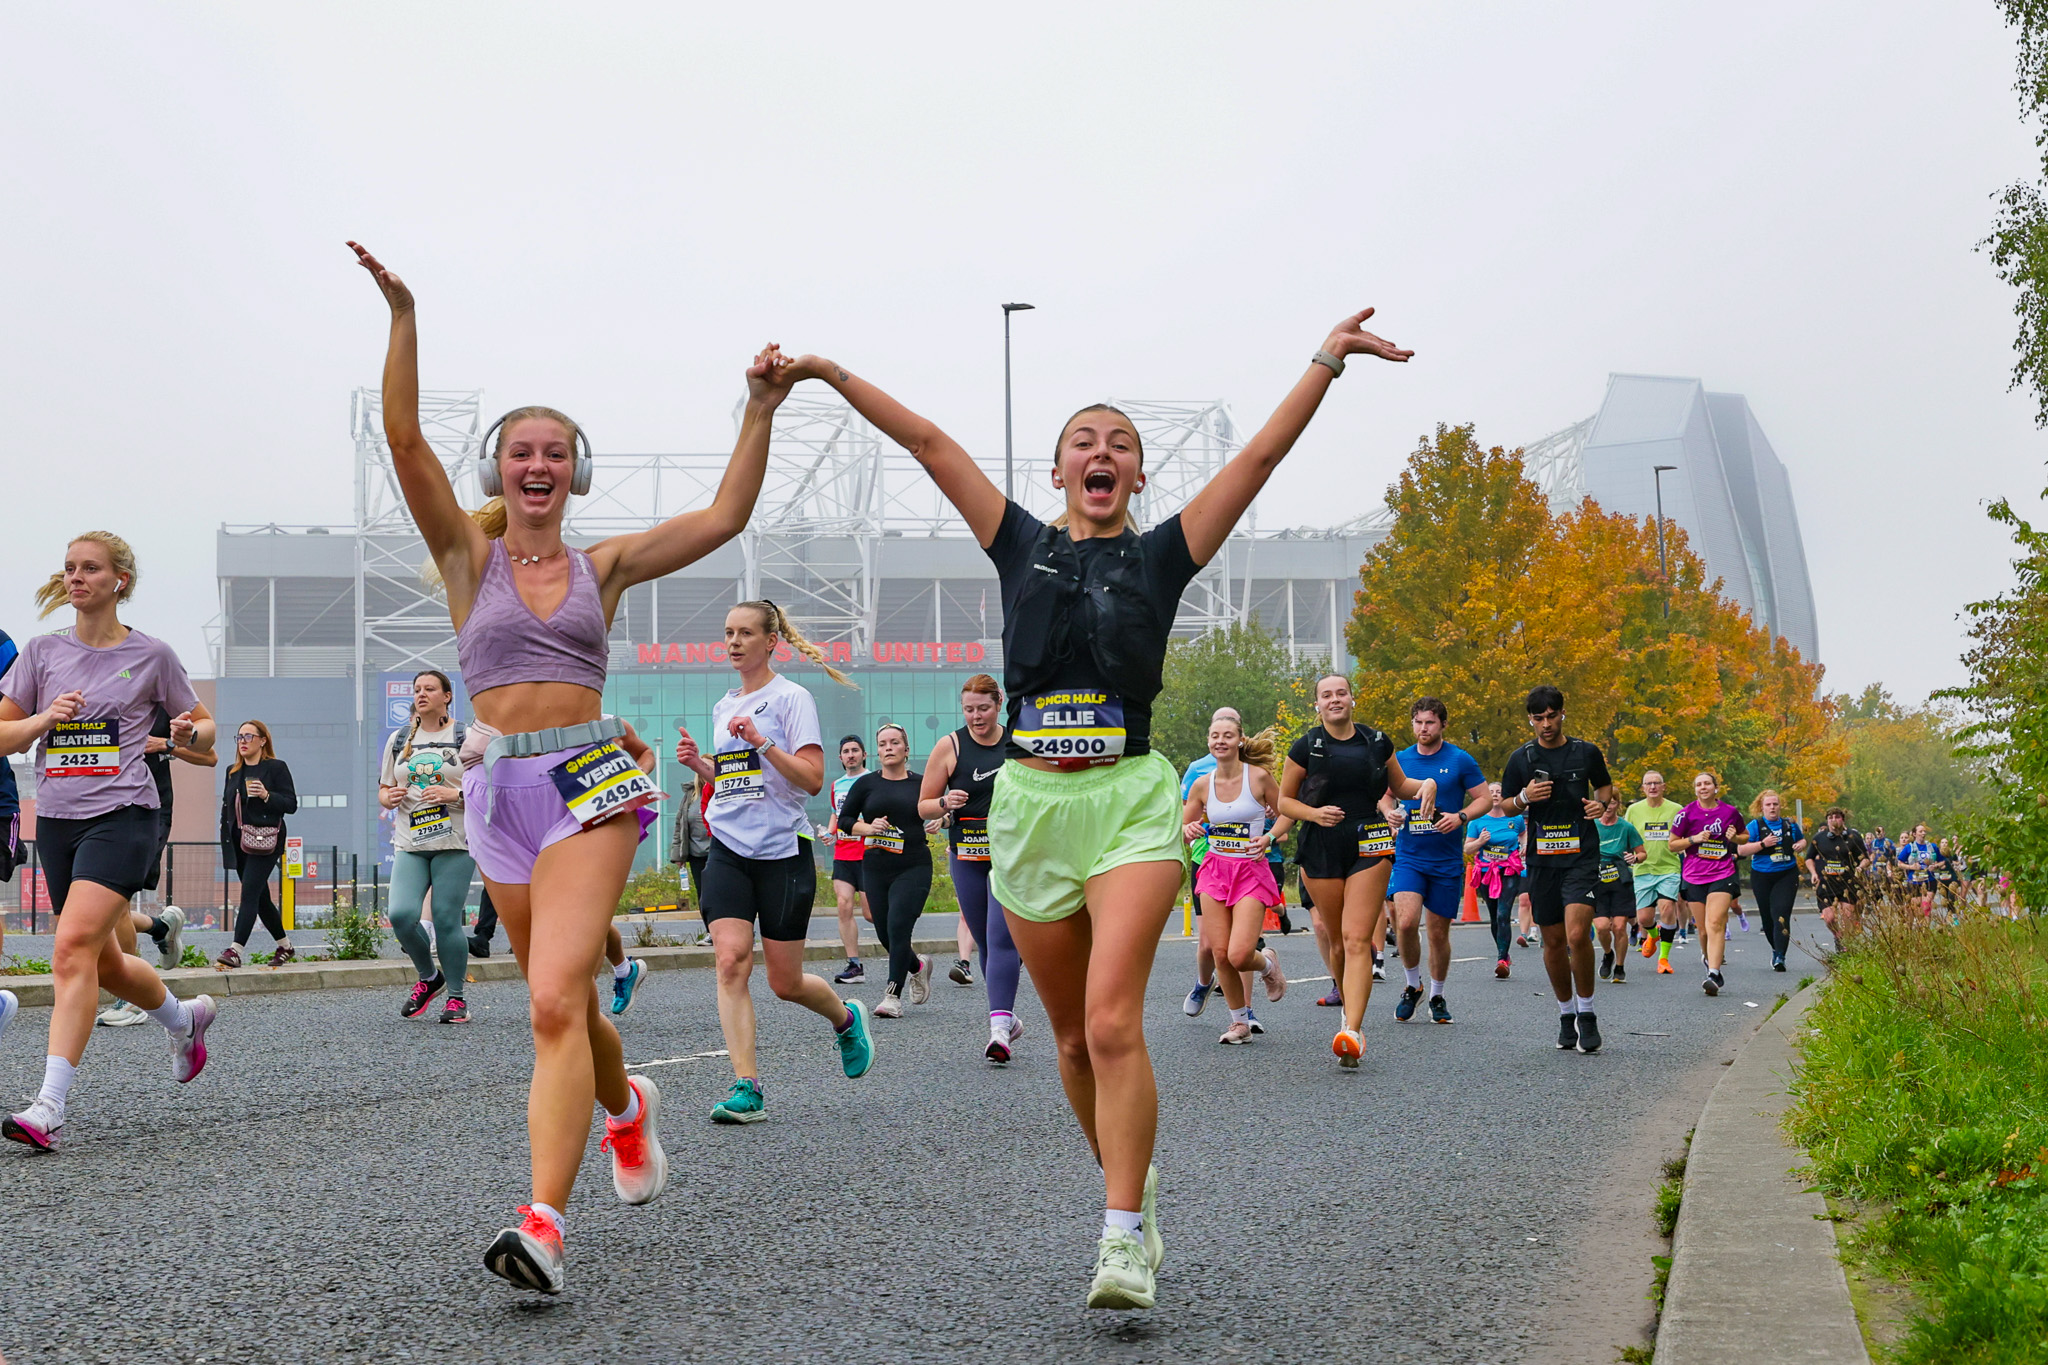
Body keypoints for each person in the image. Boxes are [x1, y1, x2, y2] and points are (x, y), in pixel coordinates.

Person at [786, 305, 1412, 1309]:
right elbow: (927, 443)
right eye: (1084, 440)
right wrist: (827, 373)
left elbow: (1251, 463)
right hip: (1028, 809)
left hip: (1126, 802)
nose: (1102, 451)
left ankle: (1119, 1238)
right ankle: (1137, 1189)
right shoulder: (1015, 543)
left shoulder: (1159, 556)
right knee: (1070, 1040)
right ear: (1055, 471)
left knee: (1114, 1024)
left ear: (1135, 476)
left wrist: (1322, 365)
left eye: (1119, 443)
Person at [352, 243, 794, 1292]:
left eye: (555, 452)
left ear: (575, 470)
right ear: (500, 472)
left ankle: (542, 1222)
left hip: (588, 788)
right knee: (568, 1008)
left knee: (553, 1001)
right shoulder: (469, 556)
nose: (538, 465)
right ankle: (626, 1106)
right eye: (521, 453)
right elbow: (403, 437)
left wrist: (758, 409)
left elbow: (724, 518)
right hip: (496, 794)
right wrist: (404, 313)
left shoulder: (606, 565)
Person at [0, 531, 219, 1150]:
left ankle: (48, 1107)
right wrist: (44, 719)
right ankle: (183, 1020)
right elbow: (2, 734)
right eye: (69, 568)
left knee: (70, 948)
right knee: (101, 959)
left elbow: (204, 732)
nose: (76, 577)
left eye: (89, 568)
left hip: (125, 815)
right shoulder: (42, 653)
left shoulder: (152, 655)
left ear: (119, 580)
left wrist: (186, 733)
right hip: (61, 823)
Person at [676, 600, 876, 1127]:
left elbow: (811, 779)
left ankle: (844, 1018)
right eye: (728, 633)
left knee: (784, 983)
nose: (734, 642)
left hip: (783, 853)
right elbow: (736, 778)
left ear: (771, 642)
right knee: (730, 960)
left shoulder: (792, 698)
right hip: (728, 849)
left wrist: (762, 741)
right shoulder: (724, 706)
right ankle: (748, 1087)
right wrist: (702, 764)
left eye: (745, 633)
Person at [1279, 674, 1439, 1068]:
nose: (1335, 700)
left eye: (1341, 693)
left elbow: (1400, 785)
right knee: (1336, 941)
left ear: (1352, 698)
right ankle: (1347, 1008)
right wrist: (1314, 813)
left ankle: (1352, 1029)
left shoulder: (1377, 741)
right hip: (1321, 843)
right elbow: (1284, 802)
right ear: (1317, 705)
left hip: (1370, 841)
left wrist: (1427, 784)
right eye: (1326, 695)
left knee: (1355, 939)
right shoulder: (1306, 746)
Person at [1498, 684, 1615, 1054]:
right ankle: (1566, 1015)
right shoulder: (1522, 758)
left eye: (1552, 716)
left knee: (1578, 934)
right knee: (1552, 941)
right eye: (1538, 718)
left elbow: (1606, 787)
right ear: (1530, 719)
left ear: (1562, 714)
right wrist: (1523, 798)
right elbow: (1504, 804)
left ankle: (1587, 1013)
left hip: (1581, 855)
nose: (1546, 724)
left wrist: (1601, 806)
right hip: (1542, 858)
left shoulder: (1586, 752)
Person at [918, 675, 1027, 1062]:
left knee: (1001, 939)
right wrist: (946, 802)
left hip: (1010, 856)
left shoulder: (1017, 741)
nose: (976, 717)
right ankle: (1007, 1016)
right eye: (969, 710)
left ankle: (998, 1029)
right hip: (966, 856)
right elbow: (923, 806)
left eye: (983, 708)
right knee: (984, 939)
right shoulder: (950, 746)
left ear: (999, 703)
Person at [377, 670, 478, 1023]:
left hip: (456, 842)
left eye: (430, 689)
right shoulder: (400, 738)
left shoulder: (466, 737)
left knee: (448, 919)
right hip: (410, 841)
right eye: (417, 689)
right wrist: (389, 798)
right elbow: (384, 788)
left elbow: (490, 788)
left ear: (447, 696)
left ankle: (456, 997)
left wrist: (456, 794)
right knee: (402, 915)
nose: (422, 694)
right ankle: (428, 977)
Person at [1181, 715, 1287, 1044]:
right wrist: (1189, 829)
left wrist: (1269, 838)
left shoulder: (1258, 778)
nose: (1220, 741)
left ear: (1240, 740)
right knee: (1220, 952)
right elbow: (1184, 830)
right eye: (1214, 736)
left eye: (1228, 735)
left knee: (1241, 954)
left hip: (1250, 872)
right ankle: (1238, 1022)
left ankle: (1268, 964)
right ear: (1209, 742)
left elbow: (1287, 812)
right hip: (1214, 869)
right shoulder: (1202, 784)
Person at [1388, 697, 1491, 1026]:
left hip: (1446, 860)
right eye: (1418, 722)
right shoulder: (1401, 760)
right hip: (1409, 856)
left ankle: (1436, 994)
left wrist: (1461, 817)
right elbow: (1385, 793)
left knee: (1437, 934)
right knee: (1404, 923)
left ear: (1443, 725)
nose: (1423, 729)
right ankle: (1411, 984)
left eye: (1429, 722)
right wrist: (1388, 812)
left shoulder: (1460, 760)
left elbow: (1485, 798)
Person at [837, 722, 935, 1017]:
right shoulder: (866, 784)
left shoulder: (922, 782)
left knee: (898, 926)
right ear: (876, 752)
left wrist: (938, 820)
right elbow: (845, 821)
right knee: (884, 933)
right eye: (882, 744)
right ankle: (918, 966)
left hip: (914, 865)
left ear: (906, 749)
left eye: (894, 742)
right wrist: (868, 827)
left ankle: (892, 996)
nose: (888, 748)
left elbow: (941, 811)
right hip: (877, 866)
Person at [214, 720, 299, 970]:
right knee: (261, 898)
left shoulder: (275, 768)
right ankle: (285, 946)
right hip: (239, 842)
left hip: (266, 841)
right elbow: (226, 808)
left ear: (263, 740)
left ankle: (235, 950)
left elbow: (291, 804)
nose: (243, 741)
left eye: (249, 736)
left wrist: (266, 795)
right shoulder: (233, 771)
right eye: (239, 737)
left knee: (249, 892)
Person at [1667, 772, 1745, 997]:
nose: (1703, 787)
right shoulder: (1686, 814)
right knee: (1702, 931)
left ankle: (1714, 973)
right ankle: (1708, 957)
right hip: (1694, 876)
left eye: (1707, 783)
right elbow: (1672, 845)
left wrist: (1735, 838)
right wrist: (1694, 839)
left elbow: (1745, 836)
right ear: (1695, 790)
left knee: (1715, 922)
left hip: (1723, 873)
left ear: (1715, 787)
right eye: (1699, 784)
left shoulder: (1730, 812)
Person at [1625, 771, 1684, 976]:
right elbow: (1627, 836)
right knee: (1643, 918)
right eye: (1648, 784)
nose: (1652, 787)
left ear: (1663, 786)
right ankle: (1653, 934)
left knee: (1667, 908)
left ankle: (1664, 959)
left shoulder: (1676, 809)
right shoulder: (1633, 810)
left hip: (1669, 868)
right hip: (1643, 869)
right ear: (1643, 788)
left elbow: (1684, 834)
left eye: (1656, 783)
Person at [1740, 789, 1806, 972]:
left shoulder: (1789, 825)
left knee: (1781, 914)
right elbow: (1741, 850)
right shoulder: (1755, 826)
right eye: (1768, 804)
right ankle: (1775, 948)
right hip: (1762, 875)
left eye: (1775, 804)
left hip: (1786, 873)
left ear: (1780, 806)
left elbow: (1802, 841)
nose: (1772, 808)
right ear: (1761, 807)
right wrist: (1762, 844)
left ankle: (1780, 956)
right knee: (1768, 918)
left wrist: (1800, 845)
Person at [1464, 782, 1525, 979]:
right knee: (1494, 916)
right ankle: (1504, 953)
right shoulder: (1477, 821)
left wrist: (1524, 846)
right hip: (1486, 872)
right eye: (1492, 792)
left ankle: (1501, 960)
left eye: (1499, 791)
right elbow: (1467, 849)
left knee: (1503, 914)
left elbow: (1524, 835)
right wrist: (1481, 841)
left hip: (1509, 870)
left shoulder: (1515, 819)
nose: (1496, 795)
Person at [826, 735, 871, 983]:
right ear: (841, 758)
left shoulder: (874, 780)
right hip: (843, 853)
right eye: (846, 751)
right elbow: (836, 814)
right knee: (843, 905)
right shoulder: (837, 785)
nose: (851, 754)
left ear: (864, 755)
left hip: (868, 852)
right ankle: (854, 965)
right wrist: (830, 833)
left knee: (871, 914)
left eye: (855, 750)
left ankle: (903, 953)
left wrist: (863, 825)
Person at [1592, 795, 1645, 983]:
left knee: (1620, 926)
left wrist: (1635, 858)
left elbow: (1642, 853)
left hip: (1620, 878)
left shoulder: (1626, 827)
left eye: (1612, 802)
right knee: (1602, 927)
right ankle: (1608, 954)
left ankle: (1620, 967)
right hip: (1597, 879)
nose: (1607, 807)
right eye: (1603, 803)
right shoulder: (1591, 825)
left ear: (1618, 805)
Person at [1807, 807, 1867, 948]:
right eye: (1830, 818)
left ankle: (1847, 946)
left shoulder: (1853, 837)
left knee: (1848, 917)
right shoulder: (1819, 838)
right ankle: (1838, 937)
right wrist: (1814, 873)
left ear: (1843, 820)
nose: (1834, 820)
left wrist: (1860, 867)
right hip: (1826, 883)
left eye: (1837, 817)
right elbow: (1808, 858)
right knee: (1829, 919)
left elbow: (1866, 858)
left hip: (1848, 882)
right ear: (1827, 821)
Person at [1896, 824, 1939, 914]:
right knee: (1918, 910)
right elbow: (1899, 863)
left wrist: (1935, 866)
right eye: (1921, 831)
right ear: (1914, 834)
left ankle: (1926, 928)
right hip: (1914, 880)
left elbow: (1943, 861)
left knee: (1926, 906)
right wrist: (1911, 867)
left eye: (1924, 831)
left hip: (1929, 880)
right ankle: (1921, 926)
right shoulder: (1909, 847)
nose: (1923, 833)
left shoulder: (1932, 846)